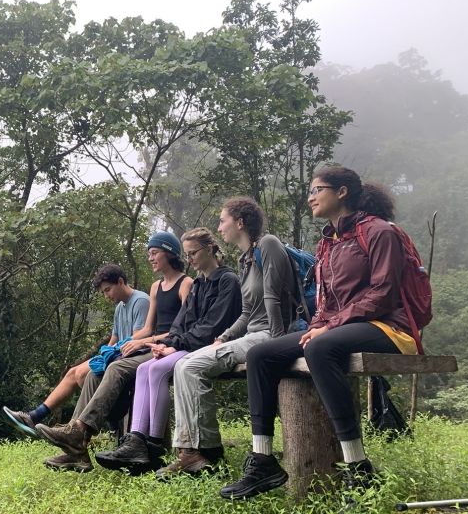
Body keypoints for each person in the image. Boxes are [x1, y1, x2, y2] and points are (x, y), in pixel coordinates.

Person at [220, 165, 418, 499]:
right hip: (340, 328)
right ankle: (262, 460)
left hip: (389, 327)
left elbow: (383, 294)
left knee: (320, 348)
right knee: (261, 354)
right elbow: (324, 303)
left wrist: (327, 328)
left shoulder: (380, 232)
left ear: (342, 192)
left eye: (317, 190)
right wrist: (317, 326)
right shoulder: (327, 243)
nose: (310, 197)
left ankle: (358, 467)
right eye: (310, 191)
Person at [157, 198, 295, 477]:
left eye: (222, 221)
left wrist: (279, 345)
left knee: (191, 365)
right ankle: (192, 451)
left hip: (271, 335)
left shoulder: (268, 244)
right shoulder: (246, 259)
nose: (219, 227)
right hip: (253, 334)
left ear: (240, 222)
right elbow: (246, 314)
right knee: (185, 364)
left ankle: (204, 450)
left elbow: (274, 300)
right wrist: (224, 337)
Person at [36, 232, 192, 472]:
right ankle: (76, 446)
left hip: (168, 348)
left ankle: (79, 431)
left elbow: (181, 329)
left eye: (154, 253)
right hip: (151, 344)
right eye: (148, 253)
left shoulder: (186, 283)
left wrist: (144, 342)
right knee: (94, 373)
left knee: (117, 367)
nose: (150, 258)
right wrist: (124, 344)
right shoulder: (155, 287)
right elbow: (148, 328)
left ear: (170, 253)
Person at [94, 227, 242, 474]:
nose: (190, 258)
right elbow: (181, 321)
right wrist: (166, 343)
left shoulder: (227, 280)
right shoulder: (199, 284)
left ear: (210, 250)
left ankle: (153, 449)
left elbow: (212, 326)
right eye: (188, 254)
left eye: (194, 253)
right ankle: (137, 441)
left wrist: (176, 344)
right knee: (144, 368)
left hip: (211, 346)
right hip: (189, 344)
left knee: (158, 370)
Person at [2, 264, 149, 436]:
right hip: (115, 354)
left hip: (130, 357)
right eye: (103, 292)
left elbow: (138, 337)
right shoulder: (119, 307)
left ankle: (98, 427)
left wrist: (108, 356)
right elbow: (114, 339)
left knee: (82, 375)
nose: (106, 295)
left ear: (121, 281)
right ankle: (34, 416)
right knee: (73, 372)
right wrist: (102, 356)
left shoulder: (141, 301)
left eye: (108, 290)